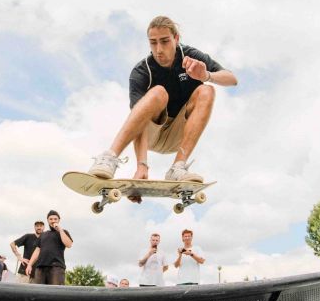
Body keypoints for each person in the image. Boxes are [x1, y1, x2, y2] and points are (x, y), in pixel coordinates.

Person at [88, 15, 238, 187]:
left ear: (176, 39)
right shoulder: (142, 71)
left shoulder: (190, 56)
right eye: (153, 42)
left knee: (207, 89)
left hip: (179, 136)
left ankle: (177, 168)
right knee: (158, 92)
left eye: (165, 41)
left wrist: (206, 75)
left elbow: (232, 79)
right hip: (151, 134)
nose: (158, 49)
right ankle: (109, 157)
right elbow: (138, 120)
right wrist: (141, 165)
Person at [26, 210, 73, 285]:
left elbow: (69, 244)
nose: (53, 221)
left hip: (56, 267)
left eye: (55, 219)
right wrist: (29, 265)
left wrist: (60, 229)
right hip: (40, 268)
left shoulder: (63, 232)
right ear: (48, 220)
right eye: (51, 219)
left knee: (55, 293)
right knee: (38, 293)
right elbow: (37, 250)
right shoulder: (43, 234)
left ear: (59, 220)